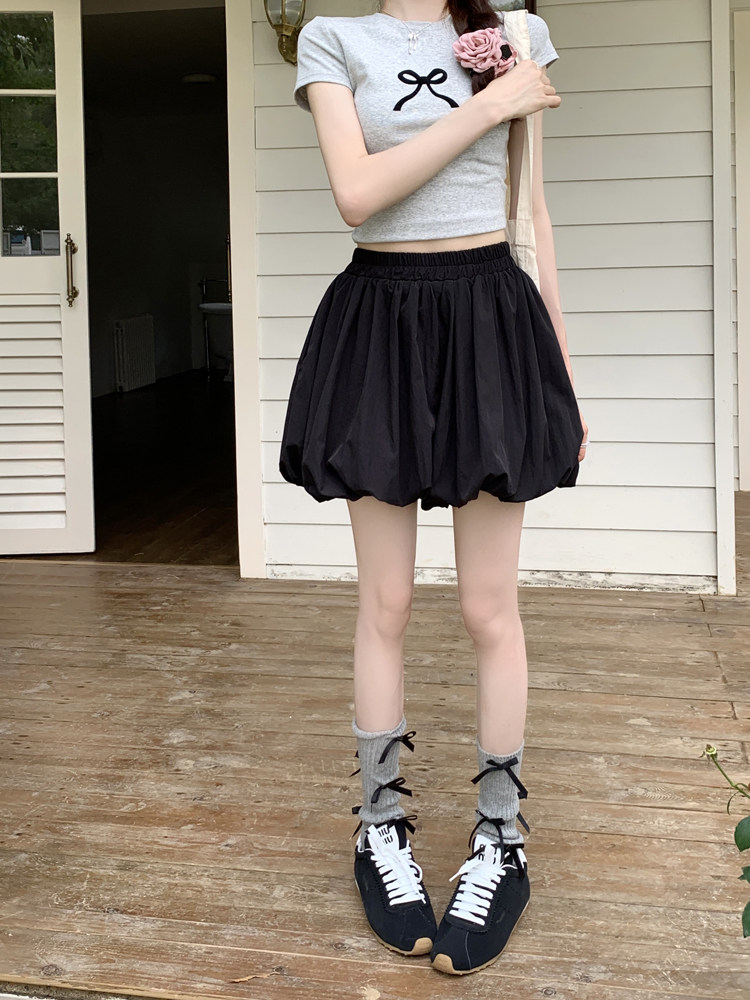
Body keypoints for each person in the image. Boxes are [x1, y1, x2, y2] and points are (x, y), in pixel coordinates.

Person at [278, 0, 588, 977]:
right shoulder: (334, 38)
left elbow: (531, 211)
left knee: (491, 607)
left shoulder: (511, 32)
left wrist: (560, 372)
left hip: (492, 320)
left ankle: (501, 841)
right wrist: (489, 107)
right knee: (388, 602)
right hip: (380, 322)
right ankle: (380, 828)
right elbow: (357, 193)